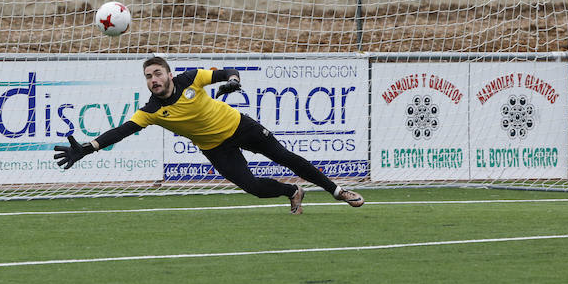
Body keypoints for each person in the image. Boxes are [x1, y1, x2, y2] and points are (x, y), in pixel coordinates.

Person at [53, 56, 364, 214]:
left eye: (157, 73)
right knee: (254, 188)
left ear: (169, 74)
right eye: (148, 77)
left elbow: (228, 71)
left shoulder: (190, 79)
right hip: (216, 148)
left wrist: (232, 82)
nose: (153, 79)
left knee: (286, 157)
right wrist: (87, 148)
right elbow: (120, 132)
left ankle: (338, 192)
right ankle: (291, 192)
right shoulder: (150, 110)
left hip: (240, 125)